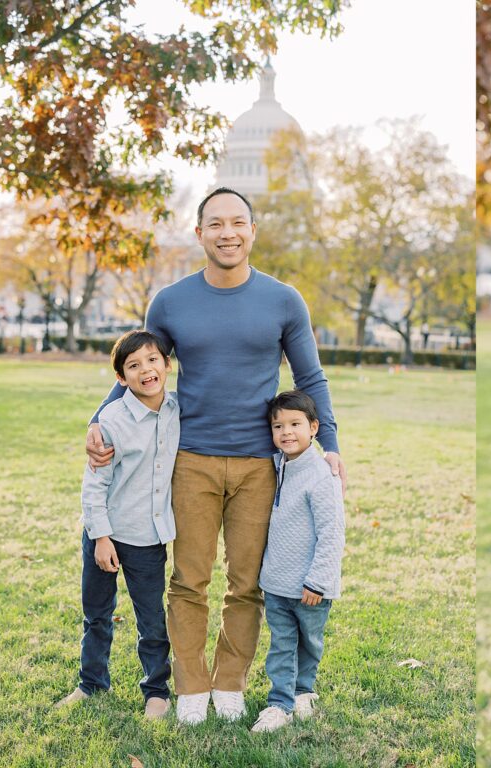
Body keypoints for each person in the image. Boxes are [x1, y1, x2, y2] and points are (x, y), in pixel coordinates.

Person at [85, 187, 346, 725]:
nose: (228, 233)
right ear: (199, 231)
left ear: (253, 231)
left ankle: (230, 684)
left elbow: (309, 377)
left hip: (258, 466)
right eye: (216, 224)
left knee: (247, 583)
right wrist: (99, 419)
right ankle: (191, 688)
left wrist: (332, 443)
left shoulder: (284, 300)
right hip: (191, 461)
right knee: (189, 580)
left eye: (238, 223)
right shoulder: (171, 301)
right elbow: (141, 366)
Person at [57, 330, 179, 720]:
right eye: (133, 365)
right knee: (97, 614)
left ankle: (157, 691)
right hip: (105, 535)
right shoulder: (110, 421)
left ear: (167, 365)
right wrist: (101, 538)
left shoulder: (180, 411)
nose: (146, 369)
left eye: (152, 360)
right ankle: (91, 683)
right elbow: (94, 484)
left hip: (148, 537)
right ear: (122, 379)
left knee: (152, 619)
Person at [250, 390, 345, 733]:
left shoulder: (322, 476)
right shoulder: (276, 466)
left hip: (311, 586)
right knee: (282, 644)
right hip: (276, 581)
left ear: (314, 427)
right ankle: (279, 703)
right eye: (278, 426)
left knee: (309, 642)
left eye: (295, 424)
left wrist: (317, 580)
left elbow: (332, 533)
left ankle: (304, 691)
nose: (286, 432)